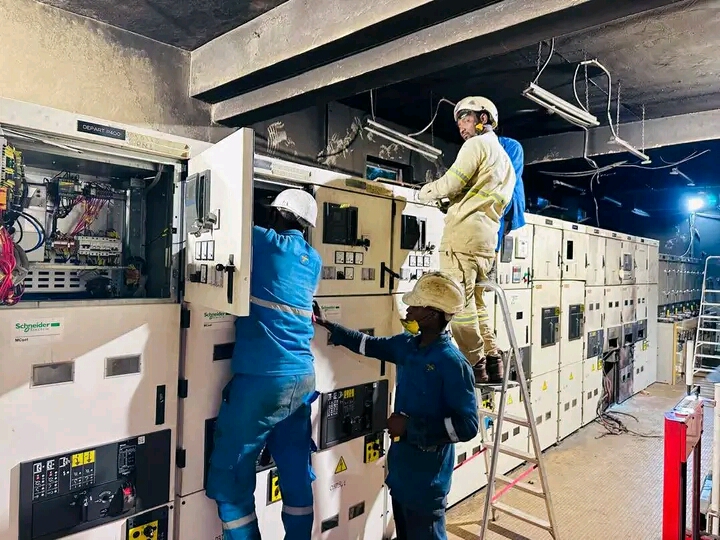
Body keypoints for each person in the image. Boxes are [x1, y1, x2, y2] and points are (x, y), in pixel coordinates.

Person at [313, 271, 479, 540]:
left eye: (416, 305)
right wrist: (328, 325)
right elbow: (368, 345)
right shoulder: (408, 345)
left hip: (427, 480)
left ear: (432, 314)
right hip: (401, 472)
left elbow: (467, 426)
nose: (409, 308)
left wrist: (410, 427)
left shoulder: (452, 363)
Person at [205, 189, 322, 540]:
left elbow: (225, 219)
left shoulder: (264, 242)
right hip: (301, 379)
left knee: (230, 478)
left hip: (263, 379)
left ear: (276, 215)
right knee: (295, 468)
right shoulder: (313, 260)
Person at [418, 96, 516, 384]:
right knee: (477, 304)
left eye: (466, 117)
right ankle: (494, 360)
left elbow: (452, 182)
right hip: (486, 243)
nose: (461, 125)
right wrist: (454, 202)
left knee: (457, 305)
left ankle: (475, 364)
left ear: (483, 118)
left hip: (462, 237)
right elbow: (481, 197)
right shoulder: (506, 162)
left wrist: (423, 192)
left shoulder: (476, 145)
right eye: (459, 120)